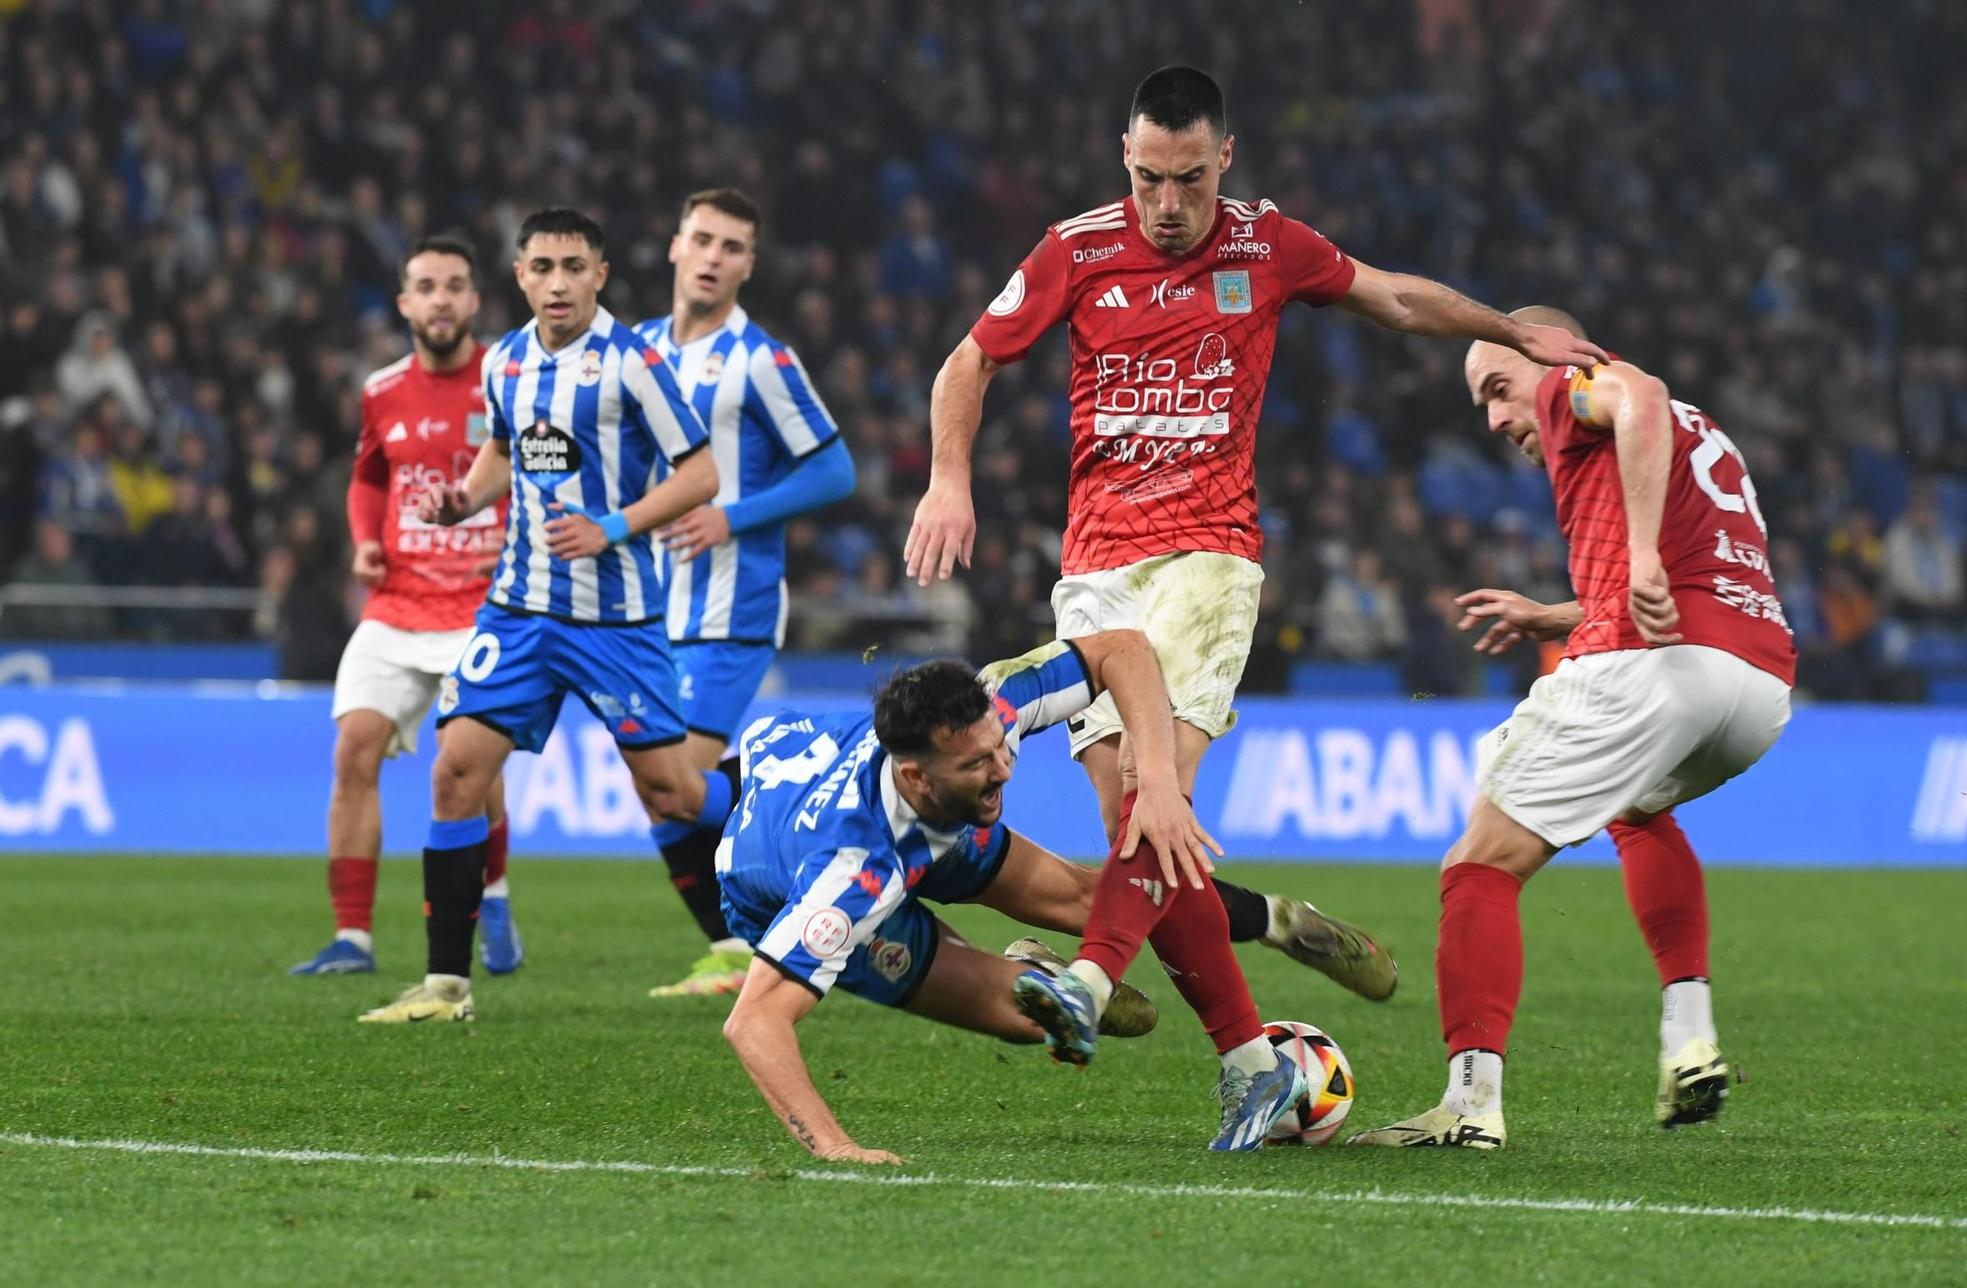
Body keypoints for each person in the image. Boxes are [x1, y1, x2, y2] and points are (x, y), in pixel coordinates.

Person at [904, 66, 1598, 1089]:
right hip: (1095, 571)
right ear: (1124, 160)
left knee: (1156, 797)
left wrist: (1505, 328)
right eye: (1149, 179)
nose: (1169, 205)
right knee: (1126, 825)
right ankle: (1268, 941)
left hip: (1206, 557)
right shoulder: (1076, 248)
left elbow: (1394, 299)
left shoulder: (1267, 245)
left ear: (1222, 159)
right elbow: (968, 359)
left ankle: (1102, 991)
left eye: (1188, 179)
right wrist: (946, 478)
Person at [1349, 307, 1795, 1149]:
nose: (1496, 418)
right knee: (1637, 811)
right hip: (1757, 687)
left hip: (1653, 668)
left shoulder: (1572, 384)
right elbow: (1696, 556)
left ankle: (1469, 1104)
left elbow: (1638, 393)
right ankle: (1688, 1033)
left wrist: (1643, 561)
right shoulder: (1707, 435)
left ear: (1542, 356)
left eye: (1498, 389)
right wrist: (1552, 612)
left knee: (1478, 865)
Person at [722, 632, 1319, 1161]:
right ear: (915, 776)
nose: (1004, 770)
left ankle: (1242, 968)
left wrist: (1158, 778)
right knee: (1025, 1020)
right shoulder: (850, 880)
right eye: (978, 762)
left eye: (999, 748)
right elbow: (754, 1022)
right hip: (810, 884)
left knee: (1109, 907)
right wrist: (836, 1148)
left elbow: (1125, 650)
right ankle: (1035, 976)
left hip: (930, 825)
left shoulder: (993, 704)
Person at [359, 209, 720, 1023]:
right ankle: (446, 986)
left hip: (616, 619)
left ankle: (770, 804)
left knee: (670, 792)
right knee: (455, 769)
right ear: (519, 276)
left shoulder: (635, 364)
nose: (558, 282)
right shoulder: (507, 363)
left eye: (574, 266)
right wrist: (464, 499)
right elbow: (501, 454)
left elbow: (701, 473)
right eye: (543, 267)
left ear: (600, 274)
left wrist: (614, 526)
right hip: (518, 611)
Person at [633, 189, 858, 999]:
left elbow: (835, 469)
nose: (713, 256)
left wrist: (732, 517)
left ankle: (793, 854)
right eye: (703, 239)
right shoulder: (640, 352)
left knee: (673, 781)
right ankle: (743, 945)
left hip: (732, 608)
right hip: (650, 611)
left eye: (732, 247)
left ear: (748, 265)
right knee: (655, 785)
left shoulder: (760, 359)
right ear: (674, 245)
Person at [292, 236, 515, 977]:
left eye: (456, 285)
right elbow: (367, 479)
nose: (442, 299)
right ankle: (351, 938)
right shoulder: (382, 390)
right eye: (427, 286)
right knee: (353, 750)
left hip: (483, 607)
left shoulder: (510, 378)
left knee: (466, 766)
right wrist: (362, 541)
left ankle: (497, 892)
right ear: (405, 303)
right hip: (396, 604)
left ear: (475, 300)